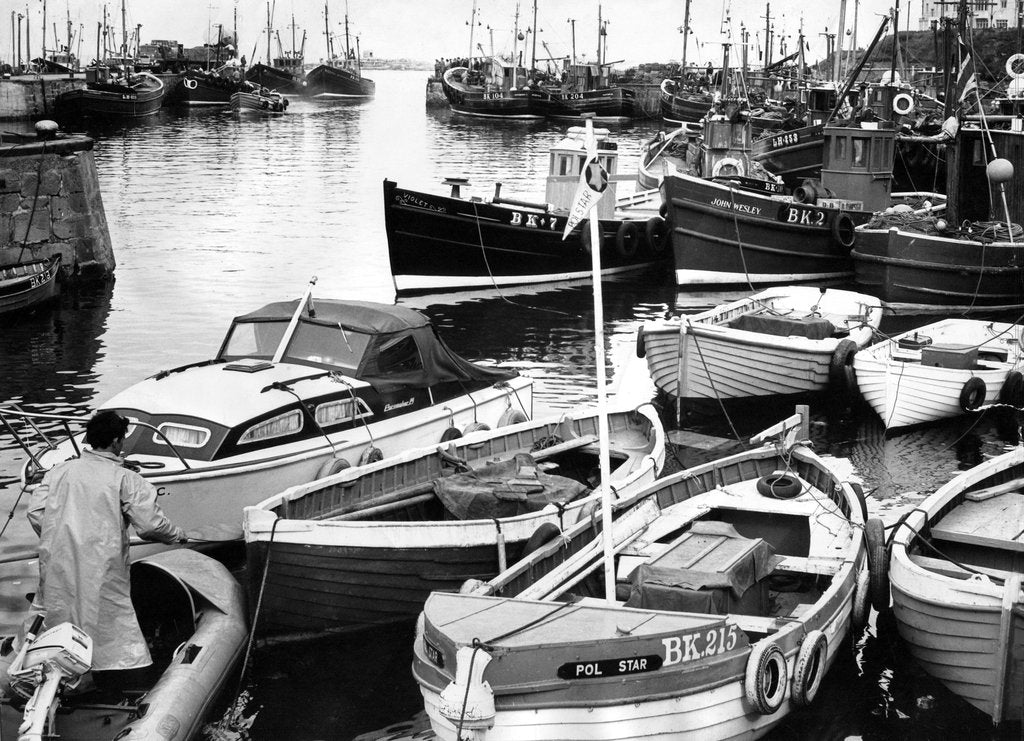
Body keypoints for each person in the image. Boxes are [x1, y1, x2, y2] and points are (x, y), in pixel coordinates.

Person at [26, 410, 187, 690]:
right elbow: (150, 525)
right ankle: (116, 676)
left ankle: (49, 665)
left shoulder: (58, 471)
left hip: (59, 562)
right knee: (107, 618)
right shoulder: (125, 479)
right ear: (115, 442)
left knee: (59, 607)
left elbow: (36, 512)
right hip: (103, 564)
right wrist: (178, 536)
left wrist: (62, 538)